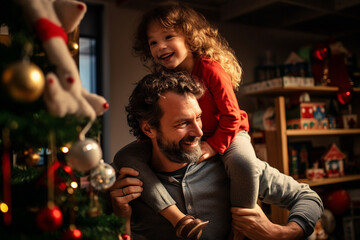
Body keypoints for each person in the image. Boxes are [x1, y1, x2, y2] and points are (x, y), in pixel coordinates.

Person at [110, 70, 323, 240]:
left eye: (199, 118)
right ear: (149, 129)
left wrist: (281, 234)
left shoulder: (231, 167)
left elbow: (308, 198)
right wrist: (121, 217)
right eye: (183, 123)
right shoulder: (127, 185)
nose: (200, 132)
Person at [116, 2, 259, 238]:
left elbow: (232, 116)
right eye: (153, 42)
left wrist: (213, 146)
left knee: (244, 164)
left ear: (190, 38)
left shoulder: (210, 68)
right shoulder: (167, 77)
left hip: (230, 132)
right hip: (196, 135)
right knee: (125, 156)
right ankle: (178, 219)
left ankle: (242, 229)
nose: (161, 47)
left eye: (168, 36)